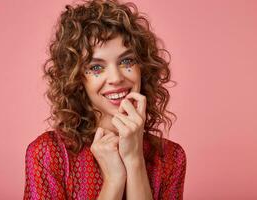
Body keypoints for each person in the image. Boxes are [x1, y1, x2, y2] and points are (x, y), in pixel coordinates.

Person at [23, 0, 186, 199]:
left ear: (142, 67)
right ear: (77, 79)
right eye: (96, 67)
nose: (116, 78)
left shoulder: (171, 157)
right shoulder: (48, 154)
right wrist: (114, 180)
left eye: (126, 61)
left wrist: (135, 160)